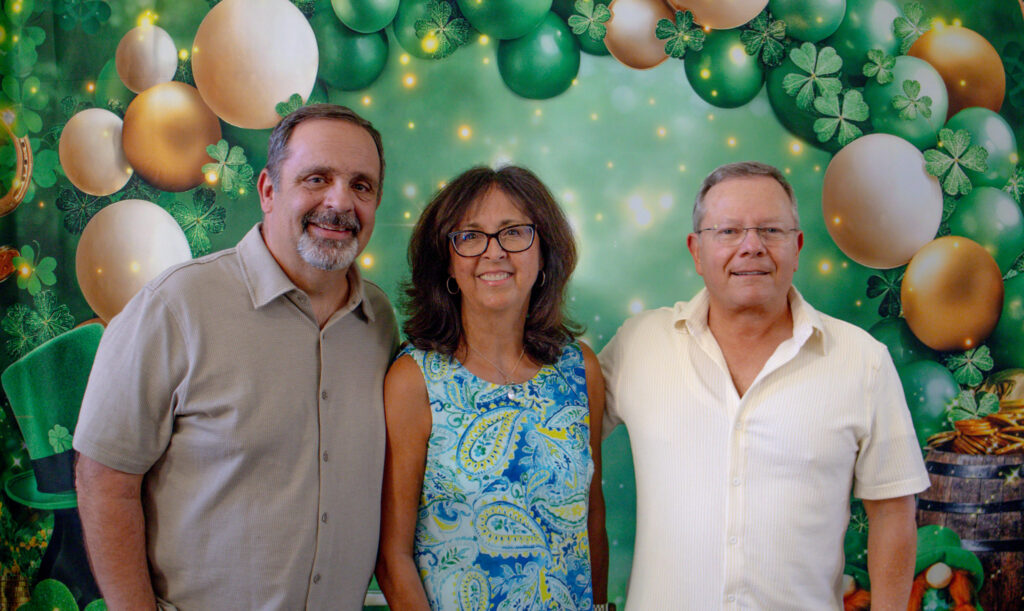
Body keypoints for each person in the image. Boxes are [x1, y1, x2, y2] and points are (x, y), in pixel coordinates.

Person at [73, 104, 399, 610]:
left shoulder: (378, 321)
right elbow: (104, 481)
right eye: (317, 178)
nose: (340, 202)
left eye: (362, 186)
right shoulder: (174, 306)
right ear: (268, 190)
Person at [599, 161, 929, 609]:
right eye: (728, 231)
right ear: (696, 251)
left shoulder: (862, 360)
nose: (751, 246)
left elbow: (892, 512)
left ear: (797, 247)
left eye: (771, 231)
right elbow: (558, 436)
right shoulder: (639, 344)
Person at [375, 166, 611, 610]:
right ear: (447, 262)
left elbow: (592, 519)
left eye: (514, 232)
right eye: (470, 236)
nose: (494, 251)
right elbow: (393, 557)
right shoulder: (413, 380)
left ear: (544, 253)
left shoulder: (580, 370)